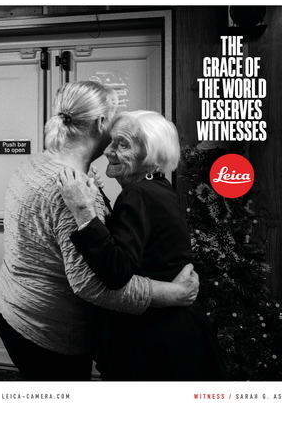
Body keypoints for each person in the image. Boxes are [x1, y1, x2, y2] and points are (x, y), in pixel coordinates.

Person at [0, 81, 200, 381]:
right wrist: (173, 294)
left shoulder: (40, 161)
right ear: (102, 122)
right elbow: (91, 286)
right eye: (114, 117)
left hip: (14, 308)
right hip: (49, 329)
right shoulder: (70, 190)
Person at [58, 110, 228, 380]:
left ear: (150, 156)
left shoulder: (137, 193)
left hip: (156, 340)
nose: (108, 151)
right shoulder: (158, 187)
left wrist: (83, 210)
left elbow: (116, 272)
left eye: (123, 145)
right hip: (177, 329)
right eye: (111, 141)